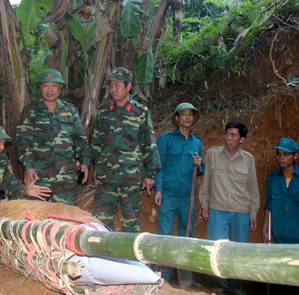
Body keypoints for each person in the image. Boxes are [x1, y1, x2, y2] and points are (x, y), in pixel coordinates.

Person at [91, 67, 161, 232]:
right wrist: (96, 166)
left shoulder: (140, 112)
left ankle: (129, 257)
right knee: (100, 222)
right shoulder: (103, 112)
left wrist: (150, 175)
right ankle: (102, 255)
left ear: (128, 86)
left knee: (131, 222)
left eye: (117, 85)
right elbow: (96, 142)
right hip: (106, 177)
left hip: (130, 177)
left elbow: (149, 144)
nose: (112, 89)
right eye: (110, 86)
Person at [199, 121, 260, 295]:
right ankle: (221, 286)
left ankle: (237, 288)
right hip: (218, 209)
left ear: (242, 139)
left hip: (241, 210)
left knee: (239, 251)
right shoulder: (213, 154)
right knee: (217, 249)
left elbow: (252, 187)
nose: (228, 138)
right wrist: (205, 203)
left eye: (233, 135)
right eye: (227, 134)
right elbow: (207, 181)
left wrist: (253, 213)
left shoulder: (248, 159)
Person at [15, 69, 91, 205]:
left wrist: (85, 162)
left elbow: (80, 139)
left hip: (66, 177)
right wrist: (28, 167)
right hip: (39, 176)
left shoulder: (70, 110)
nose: (49, 89)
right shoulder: (30, 111)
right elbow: (22, 141)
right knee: (37, 215)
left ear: (60, 87)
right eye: (45, 85)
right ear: (40, 88)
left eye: (54, 85)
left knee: (65, 216)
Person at [153, 103, 204, 284]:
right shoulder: (166, 139)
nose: (188, 117)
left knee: (186, 235)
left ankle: (185, 279)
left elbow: (200, 169)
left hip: (187, 196)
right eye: (184, 114)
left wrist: (199, 163)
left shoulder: (197, 142)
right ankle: (163, 275)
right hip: (168, 194)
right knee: (164, 235)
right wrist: (158, 189)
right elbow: (160, 166)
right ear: (177, 118)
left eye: (191, 114)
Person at [263, 138, 299, 244]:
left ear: (295, 156)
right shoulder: (272, 178)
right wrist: (266, 230)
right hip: (278, 234)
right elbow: (269, 206)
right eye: (278, 154)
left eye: (286, 154)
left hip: (296, 233)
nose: (281, 158)